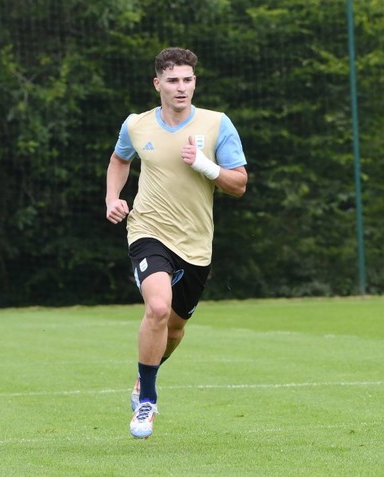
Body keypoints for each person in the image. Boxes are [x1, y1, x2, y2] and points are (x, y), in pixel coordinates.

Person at [105, 47, 248, 439]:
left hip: (196, 243)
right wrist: (112, 198)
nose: (181, 87)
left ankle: (141, 378)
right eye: (173, 80)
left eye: (188, 80)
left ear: (194, 82)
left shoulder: (217, 124)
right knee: (157, 306)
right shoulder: (136, 125)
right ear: (158, 84)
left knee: (175, 330)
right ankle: (147, 401)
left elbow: (239, 184)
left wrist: (205, 164)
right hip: (148, 230)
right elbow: (120, 160)